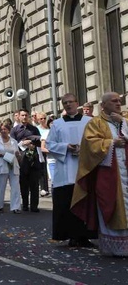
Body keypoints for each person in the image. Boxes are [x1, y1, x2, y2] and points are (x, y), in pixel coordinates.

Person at [71, 92, 128, 256]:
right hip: (108, 174)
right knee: (109, 203)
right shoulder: (95, 123)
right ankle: (113, 247)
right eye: (114, 101)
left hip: (125, 170)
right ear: (103, 105)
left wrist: (122, 122)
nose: (118, 103)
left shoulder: (124, 120)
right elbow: (90, 145)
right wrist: (111, 143)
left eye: (119, 101)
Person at [46, 93, 94, 247]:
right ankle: (72, 236)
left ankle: (85, 236)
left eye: (70, 102)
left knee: (85, 204)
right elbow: (50, 144)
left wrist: (84, 149)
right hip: (65, 169)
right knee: (67, 204)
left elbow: (95, 141)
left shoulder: (89, 121)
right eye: (65, 103)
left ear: (77, 103)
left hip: (84, 168)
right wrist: (66, 147)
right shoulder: (57, 124)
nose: (68, 105)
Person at [11, 110, 43, 212]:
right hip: (21, 160)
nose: (24, 117)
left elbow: (40, 141)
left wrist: (32, 142)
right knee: (23, 184)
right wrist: (22, 143)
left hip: (33, 159)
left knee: (34, 184)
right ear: (19, 117)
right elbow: (12, 144)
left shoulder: (34, 129)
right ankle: (25, 204)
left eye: (26, 115)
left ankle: (34, 206)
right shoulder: (15, 130)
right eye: (22, 115)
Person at [0, 122, 21, 213]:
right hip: (2, 165)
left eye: (5, 129)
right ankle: (0, 205)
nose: (3, 131)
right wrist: (2, 154)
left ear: (9, 130)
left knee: (15, 186)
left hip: (13, 164)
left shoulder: (14, 141)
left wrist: (18, 154)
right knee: (1, 186)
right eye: (2, 129)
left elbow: (18, 154)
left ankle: (15, 207)